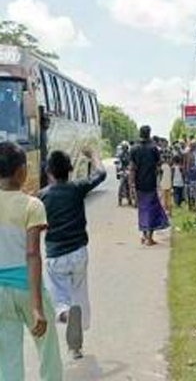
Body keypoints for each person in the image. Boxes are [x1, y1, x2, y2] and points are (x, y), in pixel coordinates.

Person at [0, 142, 62, 380]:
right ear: (21, 171)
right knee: (48, 351)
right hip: (27, 288)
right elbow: (32, 254)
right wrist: (36, 307)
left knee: (7, 357)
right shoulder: (32, 205)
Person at [38, 149, 106, 359]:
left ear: (48, 172)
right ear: (69, 170)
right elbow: (101, 174)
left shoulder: (42, 196)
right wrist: (93, 156)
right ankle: (75, 347)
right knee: (79, 296)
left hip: (56, 256)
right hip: (79, 252)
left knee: (58, 298)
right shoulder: (77, 188)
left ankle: (64, 313)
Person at [130, 126, 169, 246]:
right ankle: (149, 239)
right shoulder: (154, 149)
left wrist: (131, 184)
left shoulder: (134, 149)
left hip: (139, 184)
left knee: (142, 209)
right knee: (152, 209)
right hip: (151, 183)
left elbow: (132, 168)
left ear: (140, 134)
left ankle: (143, 236)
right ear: (149, 134)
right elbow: (158, 166)